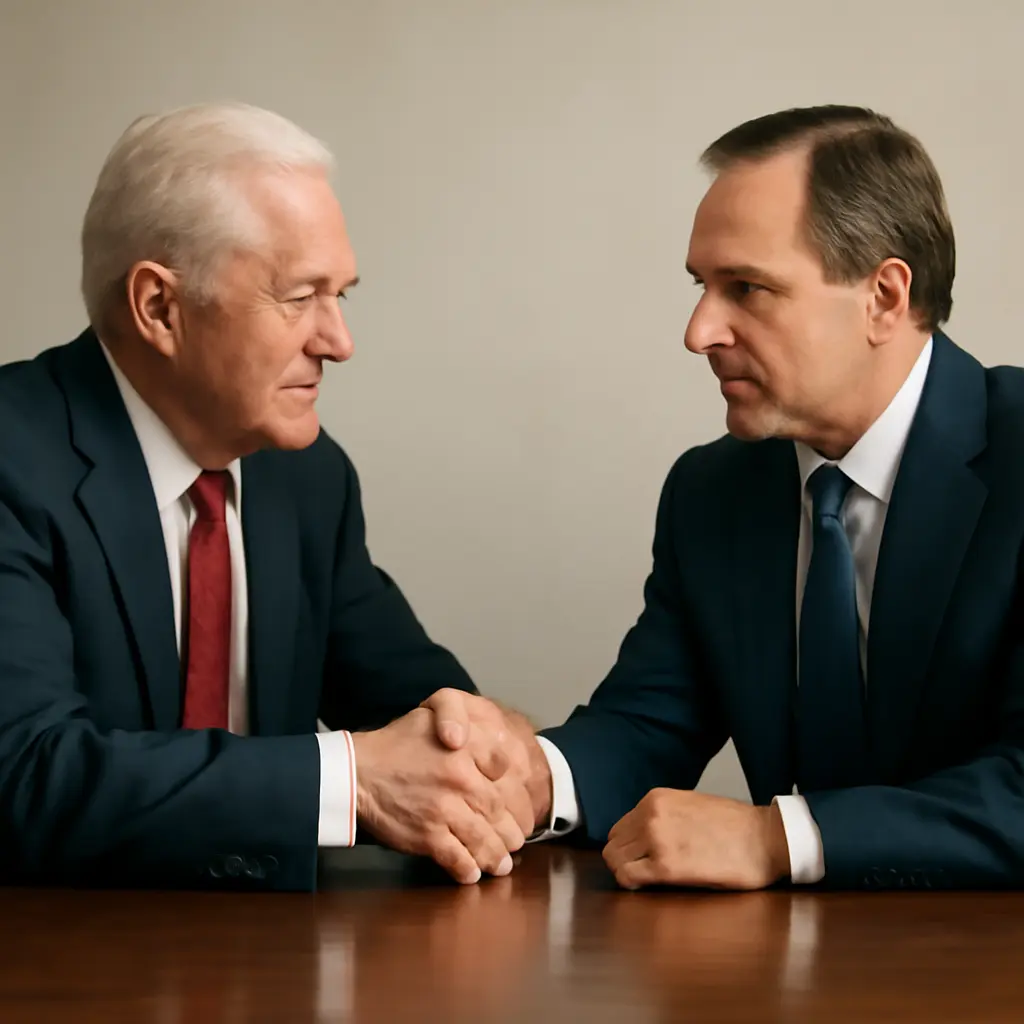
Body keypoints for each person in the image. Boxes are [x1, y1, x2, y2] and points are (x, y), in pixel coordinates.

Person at [435, 105, 1024, 890]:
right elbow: (649, 722)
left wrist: (777, 839)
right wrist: (529, 778)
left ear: (884, 296)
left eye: (747, 288)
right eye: (702, 287)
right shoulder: (713, 492)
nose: (699, 330)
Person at [0, 102, 551, 890]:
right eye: (299, 298)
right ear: (160, 307)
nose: (338, 341)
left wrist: (489, 748)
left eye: (341, 296)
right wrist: (349, 781)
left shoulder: (306, 476)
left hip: (273, 967)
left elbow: (420, 704)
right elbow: (25, 775)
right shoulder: (12, 458)